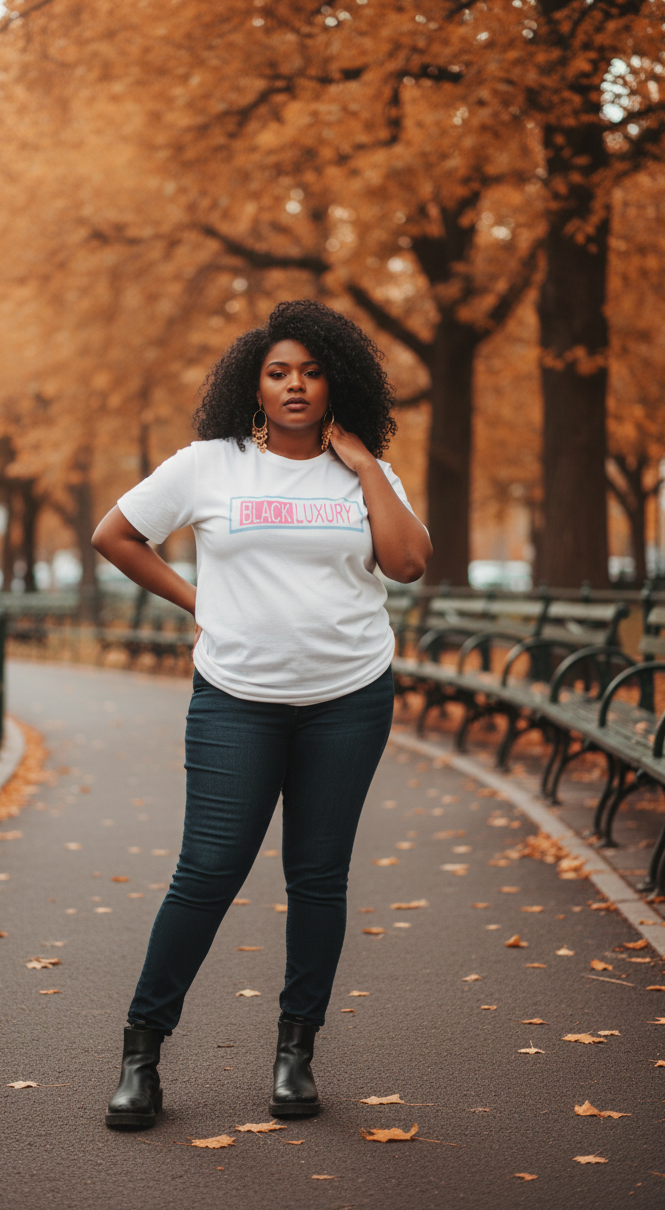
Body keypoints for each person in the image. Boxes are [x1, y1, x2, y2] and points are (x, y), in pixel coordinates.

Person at [91, 299, 432, 1129]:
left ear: (336, 383)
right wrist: (195, 599)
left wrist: (364, 467)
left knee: (317, 879)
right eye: (279, 372)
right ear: (254, 382)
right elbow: (116, 534)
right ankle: (143, 1053)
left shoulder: (364, 470)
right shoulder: (210, 464)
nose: (295, 385)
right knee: (206, 870)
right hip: (237, 699)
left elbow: (411, 562)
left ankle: (295, 1056)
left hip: (349, 699)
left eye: (312, 372)